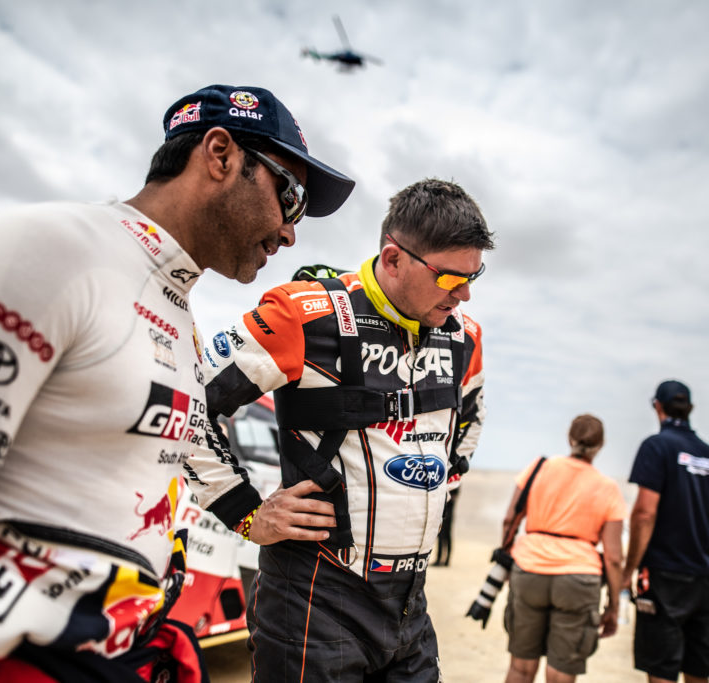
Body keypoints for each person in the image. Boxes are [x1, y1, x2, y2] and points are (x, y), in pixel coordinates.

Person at [0, 83, 354, 682]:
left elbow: (188, 444)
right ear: (221, 156)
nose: (291, 232)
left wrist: (252, 519)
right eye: (291, 197)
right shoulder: (50, 251)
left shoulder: (176, 312)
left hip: (121, 651)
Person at [198, 178, 493, 682]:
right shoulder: (302, 314)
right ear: (394, 258)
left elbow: (468, 419)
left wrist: (435, 488)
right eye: (450, 278)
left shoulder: (464, 337)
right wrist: (245, 513)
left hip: (409, 602)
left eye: (475, 275)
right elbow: (182, 403)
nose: (464, 295)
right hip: (314, 597)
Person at [501, 414, 626, 683]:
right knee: (561, 672)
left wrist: (509, 561)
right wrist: (614, 605)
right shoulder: (608, 488)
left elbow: (510, 520)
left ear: (569, 439)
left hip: (530, 569)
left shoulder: (539, 468)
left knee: (521, 667)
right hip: (579, 579)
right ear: (601, 445)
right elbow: (614, 558)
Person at [622, 380, 709, 683]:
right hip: (702, 577)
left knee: (662, 669)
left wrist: (628, 569)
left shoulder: (656, 447)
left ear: (656, 406)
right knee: (697, 668)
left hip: (664, 576)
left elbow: (644, 513)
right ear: (691, 409)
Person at [433, 486, 459, 567]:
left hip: (448, 512)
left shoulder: (456, 482)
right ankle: (440, 559)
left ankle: (446, 560)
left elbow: (454, 496)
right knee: (442, 536)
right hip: (444, 511)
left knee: (446, 536)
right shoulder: (452, 481)